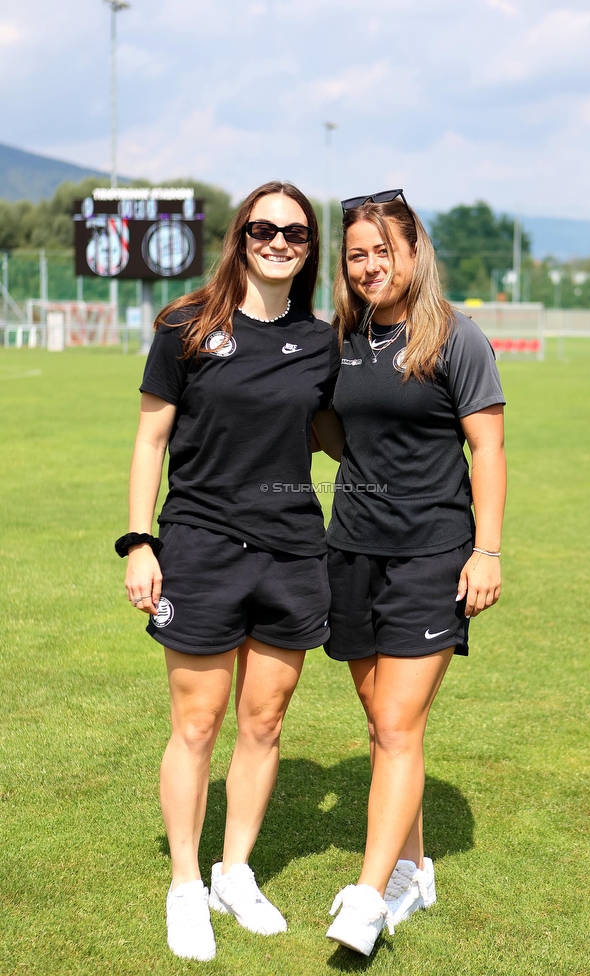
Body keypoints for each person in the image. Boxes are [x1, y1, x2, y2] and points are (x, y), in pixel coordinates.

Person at [115, 182, 339, 962]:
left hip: (291, 551)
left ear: (311, 250)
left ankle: (233, 873)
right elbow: (150, 441)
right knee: (197, 724)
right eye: (264, 227)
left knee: (264, 723)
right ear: (240, 235)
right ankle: (185, 886)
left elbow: (346, 432)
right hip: (202, 547)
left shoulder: (322, 340)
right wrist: (139, 541)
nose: (279, 241)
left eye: (297, 234)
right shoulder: (186, 324)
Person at [318, 189, 506, 956]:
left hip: (433, 552)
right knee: (383, 725)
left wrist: (485, 551)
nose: (369, 265)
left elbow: (487, 449)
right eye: (357, 252)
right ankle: (413, 870)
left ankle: (367, 898)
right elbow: (334, 431)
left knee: (397, 725)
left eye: (382, 250)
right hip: (353, 549)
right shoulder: (344, 338)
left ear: (414, 252)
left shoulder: (455, 337)